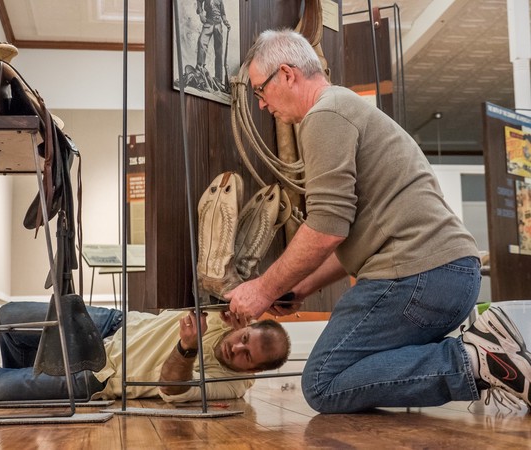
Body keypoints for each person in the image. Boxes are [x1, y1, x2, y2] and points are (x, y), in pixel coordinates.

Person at [224, 29, 531, 413]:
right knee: (344, 374)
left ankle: (476, 360)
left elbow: (326, 227)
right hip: (449, 277)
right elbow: (348, 231)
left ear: (286, 74)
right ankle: (484, 358)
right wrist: (302, 286)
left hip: (420, 277)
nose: (262, 105)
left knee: (322, 382)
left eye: (260, 90)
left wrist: (263, 289)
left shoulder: (325, 115)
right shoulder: (342, 108)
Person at [0, 301, 290, 403]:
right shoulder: (229, 316)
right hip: (117, 326)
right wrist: (238, 296)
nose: (237, 346)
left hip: (102, 376)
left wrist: (186, 349)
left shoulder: (232, 386)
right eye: (245, 338)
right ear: (246, 326)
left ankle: (28, 385)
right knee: (10, 317)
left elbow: (172, 389)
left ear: (252, 371)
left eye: (247, 355)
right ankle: (31, 383)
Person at [196, 0, 230, 86]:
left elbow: (223, 14)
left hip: (218, 25)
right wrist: (201, 15)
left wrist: (226, 22)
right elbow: (199, 2)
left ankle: (218, 79)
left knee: (219, 52)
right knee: (201, 43)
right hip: (208, 23)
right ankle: (200, 72)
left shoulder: (220, 1)